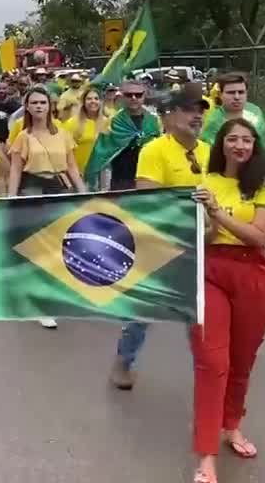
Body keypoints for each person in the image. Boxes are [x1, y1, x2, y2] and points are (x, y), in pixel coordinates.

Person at [188, 117, 265, 483]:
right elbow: (207, 238)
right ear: (221, 145)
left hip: (253, 275)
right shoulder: (207, 183)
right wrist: (210, 218)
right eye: (233, 139)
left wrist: (218, 214)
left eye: (247, 139)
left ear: (255, 144)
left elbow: (259, 236)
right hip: (210, 272)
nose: (240, 146)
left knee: (242, 360)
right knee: (212, 362)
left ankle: (232, 425)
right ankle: (206, 455)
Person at [110, 85, 210, 391]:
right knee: (143, 311)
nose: (197, 116)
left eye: (201, 110)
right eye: (190, 110)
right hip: (160, 244)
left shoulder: (209, 151)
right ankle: (123, 362)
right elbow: (150, 199)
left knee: (203, 312)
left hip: (203, 243)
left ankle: (208, 374)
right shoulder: (154, 151)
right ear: (170, 115)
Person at [7, 87, 87, 329]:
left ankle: (53, 293)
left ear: (50, 106)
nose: (39, 106)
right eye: (34, 103)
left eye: (43, 102)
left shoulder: (63, 134)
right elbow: (15, 169)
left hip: (58, 189)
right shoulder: (23, 137)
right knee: (37, 246)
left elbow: (72, 166)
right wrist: (11, 197)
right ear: (28, 107)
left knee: (58, 244)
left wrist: (83, 192)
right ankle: (38, 302)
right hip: (32, 189)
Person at [85, 79, 161, 190]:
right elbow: (100, 155)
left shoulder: (154, 121)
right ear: (122, 96)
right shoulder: (113, 122)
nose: (134, 98)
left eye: (138, 95)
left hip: (149, 177)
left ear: (144, 96)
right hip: (121, 180)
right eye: (129, 95)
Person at [199, 72, 265, 154]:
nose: (236, 97)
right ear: (220, 95)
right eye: (231, 92)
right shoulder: (213, 122)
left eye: (241, 92)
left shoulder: (255, 112)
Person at [63, 87, 109, 182]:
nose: (93, 101)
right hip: (78, 175)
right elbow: (65, 152)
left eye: (96, 98)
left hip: (102, 174)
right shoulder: (71, 123)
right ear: (83, 102)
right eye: (89, 99)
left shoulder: (108, 122)